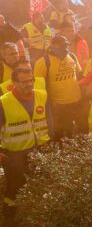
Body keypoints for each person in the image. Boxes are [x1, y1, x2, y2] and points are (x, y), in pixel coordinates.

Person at [0, 67, 52, 222]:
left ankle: (37, 215)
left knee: (41, 182)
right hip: (15, 153)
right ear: (14, 82)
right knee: (14, 186)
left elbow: (49, 120)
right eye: (24, 81)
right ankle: (10, 217)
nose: (29, 84)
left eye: (31, 80)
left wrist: (50, 141)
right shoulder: (3, 102)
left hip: (40, 148)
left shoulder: (42, 96)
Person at [34, 35, 87, 140]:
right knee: (59, 135)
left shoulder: (72, 56)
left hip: (77, 102)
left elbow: (80, 76)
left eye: (66, 45)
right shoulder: (43, 62)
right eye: (62, 46)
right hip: (58, 106)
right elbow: (38, 88)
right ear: (52, 46)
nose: (65, 48)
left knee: (80, 133)